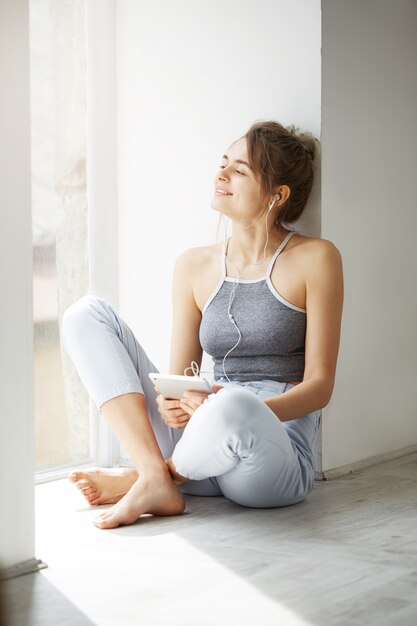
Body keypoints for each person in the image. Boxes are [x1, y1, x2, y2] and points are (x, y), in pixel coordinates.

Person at [63, 120, 344, 530]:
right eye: (223, 163)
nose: (221, 174)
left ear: (277, 195)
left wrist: (225, 410)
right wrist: (175, 404)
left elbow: (320, 387)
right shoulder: (193, 265)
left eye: (240, 170)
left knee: (233, 404)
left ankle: (154, 478)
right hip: (200, 443)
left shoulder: (317, 259)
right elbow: (180, 378)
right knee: (85, 314)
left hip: (267, 456)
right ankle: (152, 473)